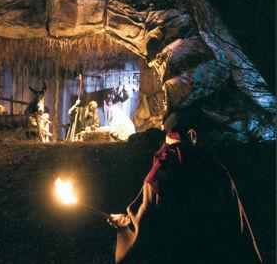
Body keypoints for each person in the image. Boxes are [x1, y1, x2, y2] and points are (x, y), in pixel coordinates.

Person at [108, 113, 262, 263]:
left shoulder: (161, 169)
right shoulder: (214, 166)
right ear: (192, 134)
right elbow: (237, 221)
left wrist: (124, 224)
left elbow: (144, 223)